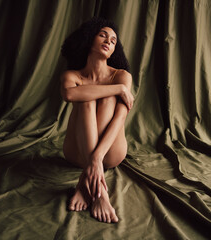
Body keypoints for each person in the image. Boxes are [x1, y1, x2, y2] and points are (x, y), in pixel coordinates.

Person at [60, 17, 134, 223]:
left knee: (106, 98)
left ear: (114, 50)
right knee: (86, 98)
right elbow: (70, 95)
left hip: (110, 153)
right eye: (103, 35)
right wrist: (119, 90)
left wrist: (96, 158)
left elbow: (121, 117)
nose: (109, 41)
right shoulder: (72, 75)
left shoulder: (121, 76)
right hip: (75, 152)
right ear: (88, 40)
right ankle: (99, 190)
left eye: (113, 40)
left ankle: (90, 185)